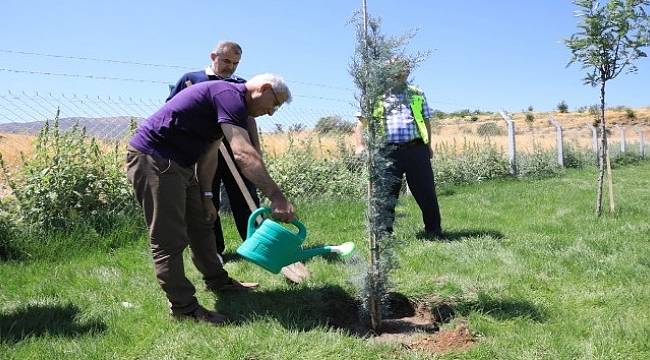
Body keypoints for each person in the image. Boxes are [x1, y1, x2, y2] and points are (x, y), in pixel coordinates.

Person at [126, 73, 295, 325]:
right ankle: (183, 308)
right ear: (264, 88)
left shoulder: (232, 104)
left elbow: (210, 153)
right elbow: (242, 154)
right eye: (275, 103)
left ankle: (218, 281)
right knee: (168, 238)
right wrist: (276, 196)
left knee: (202, 224)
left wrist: (206, 196)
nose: (272, 112)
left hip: (182, 165)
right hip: (155, 160)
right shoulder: (229, 95)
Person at [167, 41, 261, 257]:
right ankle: (213, 251)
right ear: (213, 56)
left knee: (246, 197)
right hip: (203, 153)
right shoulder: (191, 80)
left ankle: (256, 245)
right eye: (226, 61)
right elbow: (173, 112)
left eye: (235, 63)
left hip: (237, 150)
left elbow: (250, 119)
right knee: (206, 200)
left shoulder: (241, 85)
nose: (230, 67)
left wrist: (255, 148)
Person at [354, 58, 442, 238]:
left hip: (416, 150)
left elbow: (425, 120)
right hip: (387, 152)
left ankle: (434, 231)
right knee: (386, 196)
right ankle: (383, 236)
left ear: (407, 72)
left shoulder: (417, 93)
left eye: (402, 69)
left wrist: (428, 145)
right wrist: (359, 145)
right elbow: (362, 123)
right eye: (393, 69)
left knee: (426, 193)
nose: (398, 73)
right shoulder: (375, 95)